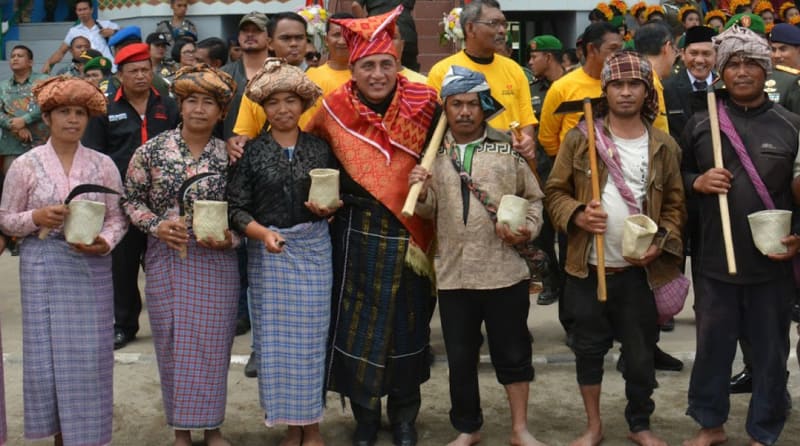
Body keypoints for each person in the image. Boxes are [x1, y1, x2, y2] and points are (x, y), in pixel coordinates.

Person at [305, 8, 439, 446]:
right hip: (354, 230)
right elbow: (309, 158)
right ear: (353, 67)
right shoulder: (331, 109)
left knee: (408, 325)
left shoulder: (426, 103)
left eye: (385, 64)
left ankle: (404, 417)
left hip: (411, 232)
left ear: (397, 62)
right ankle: (365, 417)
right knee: (358, 327)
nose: (377, 74)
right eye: (368, 65)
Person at [545, 50, 685, 446]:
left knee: (641, 358)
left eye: (634, 84)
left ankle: (639, 423)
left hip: (641, 274)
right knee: (588, 352)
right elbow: (553, 192)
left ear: (646, 91)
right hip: (588, 270)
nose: (625, 92)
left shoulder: (663, 146)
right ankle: (593, 426)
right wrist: (576, 214)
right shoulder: (580, 138)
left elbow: (675, 205)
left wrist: (661, 242)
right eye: (617, 85)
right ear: (605, 90)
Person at [409, 65, 546, 446]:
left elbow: (534, 199)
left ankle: (519, 429)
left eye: (472, 104)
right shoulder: (433, 151)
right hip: (454, 274)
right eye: (456, 104)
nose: (465, 112)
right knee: (460, 359)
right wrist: (420, 194)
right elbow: (430, 209)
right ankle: (468, 428)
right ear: (446, 108)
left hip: (505, 272)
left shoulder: (509, 147)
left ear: (484, 106)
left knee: (514, 353)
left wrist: (527, 228)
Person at [680, 24, 799, 446]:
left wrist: (797, 236)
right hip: (715, 260)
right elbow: (676, 180)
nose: (742, 71)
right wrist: (698, 180)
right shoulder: (700, 123)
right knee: (713, 349)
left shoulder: (791, 125)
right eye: (733, 63)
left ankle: (763, 430)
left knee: (769, 353)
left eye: (752, 63)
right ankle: (710, 425)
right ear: (721, 71)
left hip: (772, 264)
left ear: (765, 69)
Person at [0, 75, 127, 446]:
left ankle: (86, 436)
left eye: (79, 113)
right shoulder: (25, 165)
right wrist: (35, 218)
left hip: (90, 267)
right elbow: (6, 217)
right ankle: (58, 435)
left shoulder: (103, 164)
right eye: (63, 112)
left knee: (90, 357)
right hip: (42, 265)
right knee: (46, 356)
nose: (72, 120)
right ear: (48, 118)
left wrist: (104, 242)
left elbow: (118, 216)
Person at [122, 64, 237, 446]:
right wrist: (157, 225)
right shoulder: (151, 151)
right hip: (166, 257)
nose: (200, 109)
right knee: (172, 342)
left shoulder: (231, 157)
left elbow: (246, 209)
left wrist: (232, 238)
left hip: (216, 261)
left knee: (214, 343)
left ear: (222, 112)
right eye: (192, 101)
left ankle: (214, 426)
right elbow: (131, 201)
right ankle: (182, 431)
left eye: (209, 103)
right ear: (180, 105)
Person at [227, 57, 332, 446]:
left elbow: (338, 195)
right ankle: (291, 426)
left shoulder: (320, 149)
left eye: (291, 100)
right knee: (275, 344)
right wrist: (263, 234)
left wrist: (330, 209)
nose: (283, 109)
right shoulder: (250, 153)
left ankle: (313, 426)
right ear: (263, 108)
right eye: (273, 102)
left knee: (312, 340)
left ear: (303, 105)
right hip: (269, 255)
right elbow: (235, 208)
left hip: (314, 250)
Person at [83, 43, 180, 350]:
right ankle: (124, 324)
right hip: (122, 201)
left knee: (165, 267)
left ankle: (172, 324)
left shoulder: (169, 106)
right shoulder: (104, 109)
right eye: (133, 71)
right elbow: (95, 157)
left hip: (164, 203)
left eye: (145, 70)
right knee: (122, 267)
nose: (141, 76)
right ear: (120, 75)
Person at [221, 11, 270, 378]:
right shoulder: (225, 75)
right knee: (239, 255)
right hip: (233, 171)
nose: (251, 36)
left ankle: (263, 342)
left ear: (268, 37)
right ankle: (242, 318)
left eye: (257, 31)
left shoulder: (278, 71)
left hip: (275, 173)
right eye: (245, 32)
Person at [427, 0, 536, 163]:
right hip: (461, 164)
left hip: (509, 163)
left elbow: (526, 120)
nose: (502, 31)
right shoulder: (442, 71)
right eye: (494, 24)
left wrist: (527, 140)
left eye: (504, 25)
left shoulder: (514, 69)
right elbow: (435, 127)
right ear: (470, 28)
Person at [527, 34, 566, 306]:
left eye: (534, 56)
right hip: (539, 172)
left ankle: (571, 285)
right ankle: (552, 281)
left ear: (548, 57)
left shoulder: (570, 87)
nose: (530, 61)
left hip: (568, 174)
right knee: (542, 235)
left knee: (570, 236)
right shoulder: (531, 90)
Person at [231, 12, 311, 141]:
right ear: (270, 43)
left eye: (299, 38)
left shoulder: (322, 79)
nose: (294, 43)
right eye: (285, 38)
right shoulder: (257, 86)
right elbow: (244, 137)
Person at [0, 45, 48, 175]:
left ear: (30, 62)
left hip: (41, 145)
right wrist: (14, 125)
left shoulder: (44, 81)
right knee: (13, 190)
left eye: (20, 56)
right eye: (12, 56)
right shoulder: (2, 86)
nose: (15, 59)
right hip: (12, 146)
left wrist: (25, 120)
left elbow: (48, 104)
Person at [663, 25, 716, 142]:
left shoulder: (725, 86)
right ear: (682, 54)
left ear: (716, 55)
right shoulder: (667, 88)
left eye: (706, 54)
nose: (699, 60)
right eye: (694, 53)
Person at [42, 0, 118, 73]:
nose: (82, 12)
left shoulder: (105, 24)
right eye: (79, 10)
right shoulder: (74, 31)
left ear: (91, 10)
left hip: (109, 68)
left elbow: (126, 35)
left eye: (85, 9)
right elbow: (61, 52)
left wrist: (113, 32)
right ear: (76, 12)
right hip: (88, 71)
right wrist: (49, 62)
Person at [352, 0, 419, 71]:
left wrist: (367, 26)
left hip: (377, 30)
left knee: (375, 68)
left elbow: (355, 5)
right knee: (409, 70)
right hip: (405, 30)